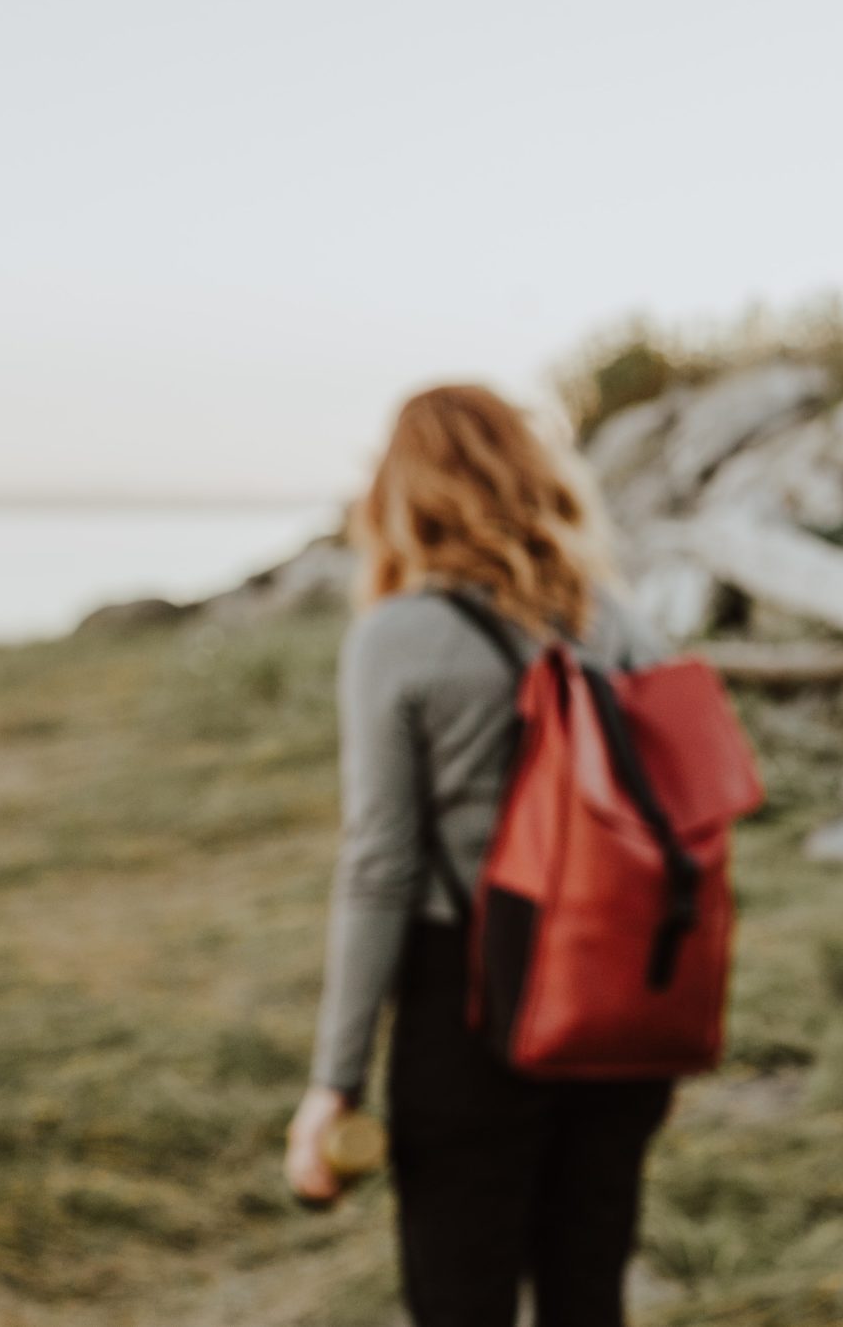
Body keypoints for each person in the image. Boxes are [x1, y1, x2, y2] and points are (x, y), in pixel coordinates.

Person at [284, 384, 674, 1327]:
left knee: (462, 1299)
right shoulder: (614, 620)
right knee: (590, 1292)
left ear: (403, 493)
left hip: (468, 1010)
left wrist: (333, 1083)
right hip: (618, 998)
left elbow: (380, 864)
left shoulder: (398, 638)